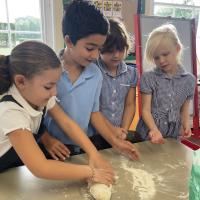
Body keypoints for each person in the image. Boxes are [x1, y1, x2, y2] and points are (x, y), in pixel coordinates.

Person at [0, 40, 115, 186]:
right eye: (48, 87)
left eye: (56, 84)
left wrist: (93, 153)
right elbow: (41, 167)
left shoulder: (38, 96)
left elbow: (67, 123)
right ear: (21, 81)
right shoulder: (11, 112)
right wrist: (90, 172)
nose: (54, 92)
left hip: (14, 172)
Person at [42, 0, 139, 161]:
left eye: (99, 49)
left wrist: (115, 142)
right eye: (89, 48)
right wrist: (46, 140)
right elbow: (35, 115)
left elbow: (94, 114)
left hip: (83, 146)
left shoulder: (95, 74)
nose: (95, 55)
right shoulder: (47, 71)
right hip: (52, 148)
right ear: (69, 41)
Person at [136, 24, 196, 144]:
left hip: (172, 135)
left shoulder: (189, 80)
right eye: (156, 58)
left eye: (165, 54)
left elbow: (184, 110)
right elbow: (146, 110)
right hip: (148, 135)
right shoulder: (148, 78)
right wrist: (154, 130)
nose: (161, 61)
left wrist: (186, 126)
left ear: (177, 48)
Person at [95, 18, 138, 140]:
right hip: (96, 134)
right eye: (110, 51)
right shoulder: (93, 71)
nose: (116, 55)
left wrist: (124, 130)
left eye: (120, 50)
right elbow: (93, 109)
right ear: (100, 49)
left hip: (120, 132)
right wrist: (112, 131)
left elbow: (130, 105)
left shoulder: (131, 73)